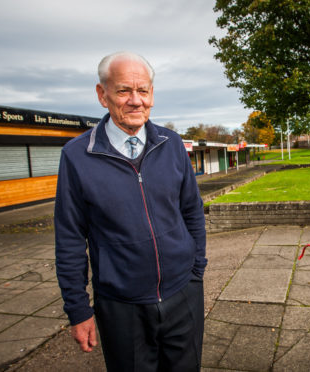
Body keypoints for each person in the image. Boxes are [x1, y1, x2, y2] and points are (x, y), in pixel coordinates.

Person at [54, 51, 207, 371]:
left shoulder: (173, 143)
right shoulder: (77, 155)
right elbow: (69, 236)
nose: (136, 101)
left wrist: (196, 270)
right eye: (124, 91)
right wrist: (78, 309)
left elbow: (192, 211)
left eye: (144, 91)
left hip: (184, 293)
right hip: (121, 306)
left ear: (152, 94)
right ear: (102, 94)